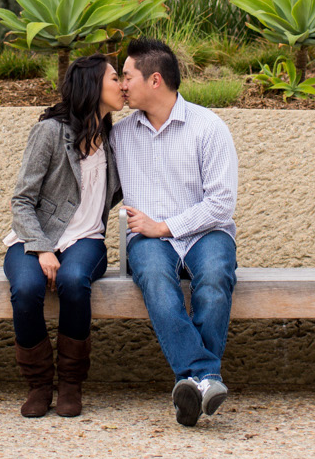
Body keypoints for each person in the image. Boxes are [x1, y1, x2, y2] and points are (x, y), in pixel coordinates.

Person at [113, 37, 239, 428]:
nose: (121, 85)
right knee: (153, 276)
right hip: (149, 241)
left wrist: (165, 226)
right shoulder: (119, 136)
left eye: (127, 76)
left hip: (207, 232)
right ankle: (205, 378)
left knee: (216, 276)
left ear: (154, 80)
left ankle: (190, 385)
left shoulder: (208, 127)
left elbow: (221, 204)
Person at [4, 52, 126, 418]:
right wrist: (41, 248)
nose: (122, 85)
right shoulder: (50, 132)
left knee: (74, 281)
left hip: (86, 241)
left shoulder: (114, 137)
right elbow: (22, 200)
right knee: (26, 290)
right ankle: (39, 385)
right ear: (93, 85)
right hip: (34, 239)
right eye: (115, 78)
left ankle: (71, 384)